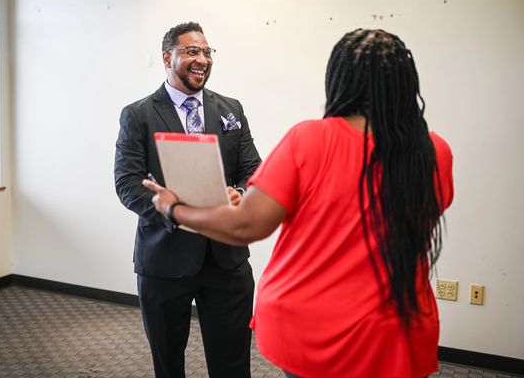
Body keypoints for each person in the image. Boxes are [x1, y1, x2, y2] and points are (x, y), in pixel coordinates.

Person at [143, 29, 454, 378]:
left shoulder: (310, 140)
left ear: (339, 80)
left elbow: (247, 224)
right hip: (401, 327)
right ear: (405, 83)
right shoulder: (434, 151)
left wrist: (174, 208)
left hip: (318, 328)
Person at [114, 22, 261, 378]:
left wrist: (240, 193)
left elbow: (253, 169)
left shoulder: (231, 109)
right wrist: (170, 209)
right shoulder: (139, 114)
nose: (202, 60)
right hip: (164, 259)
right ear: (168, 57)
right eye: (192, 51)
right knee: (168, 363)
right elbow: (127, 183)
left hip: (226, 259)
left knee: (233, 363)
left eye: (207, 52)